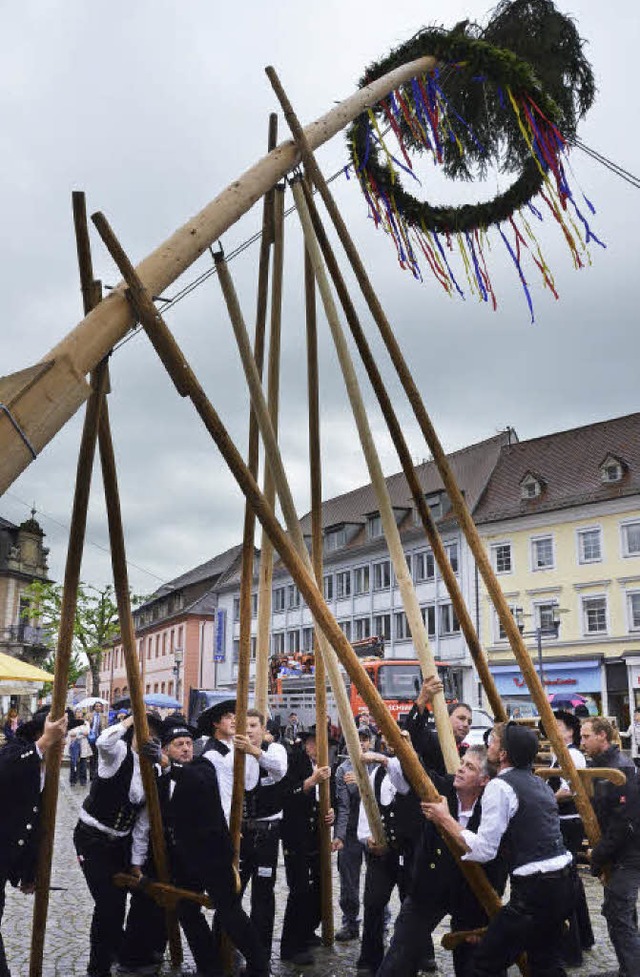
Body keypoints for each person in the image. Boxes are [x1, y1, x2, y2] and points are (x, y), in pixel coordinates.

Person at [423, 721, 573, 976]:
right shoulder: (538, 783)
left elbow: (483, 850)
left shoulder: (499, 786)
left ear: (503, 754)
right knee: (545, 963)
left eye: (493, 742)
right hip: (566, 884)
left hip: (534, 891)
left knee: (484, 964)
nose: (488, 746)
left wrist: (444, 818)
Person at [142, 717, 270, 977]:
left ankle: (259, 967)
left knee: (230, 912)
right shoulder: (160, 779)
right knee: (187, 910)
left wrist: (169, 764)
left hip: (213, 856)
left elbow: (197, 781)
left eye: (189, 743)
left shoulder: (203, 766)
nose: (187, 748)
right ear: (165, 749)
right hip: (185, 859)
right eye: (179, 745)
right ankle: (209, 968)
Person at [379, 745, 507, 977]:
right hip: (429, 886)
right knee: (400, 956)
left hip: (471, 893)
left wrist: (488, 914)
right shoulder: (440, 788)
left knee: (474, 962)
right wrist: (404, 747)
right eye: (462, 763)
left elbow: (498, 861)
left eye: (469, 767)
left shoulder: (493, 807)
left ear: (484, 780)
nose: (460, 769)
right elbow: (417, 771)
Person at [73, 711, 162, 977]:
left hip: (120, 844)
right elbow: (102, 742)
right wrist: (129, 720)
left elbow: (143, 823)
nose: (149, 739)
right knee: (108, 904)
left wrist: (136, 862)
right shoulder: (118, 753)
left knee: (121, 902)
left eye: (154, 736)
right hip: (92, 839)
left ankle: (121, 954)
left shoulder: (153, 770)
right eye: (145, 732)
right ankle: (99, 968)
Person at [0, 709, 68, 977]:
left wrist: (29, 873)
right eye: (60, 741)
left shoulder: (44, 773)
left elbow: (32, 825)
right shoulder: (16, 753)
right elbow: (4, 769)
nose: (64, 748)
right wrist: (43, 744)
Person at [580, 716, 640, 977]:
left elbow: (624, 821)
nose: (582, 742)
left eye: (586, 736)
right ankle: (630, 967)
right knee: (620, 913)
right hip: (617, 854)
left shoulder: (621, 769)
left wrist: (600, 853)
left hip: (629, 854)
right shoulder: (599, 767)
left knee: (619, 915)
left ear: (602, 736)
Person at [355, 734, 414, 977]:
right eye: (391, 740)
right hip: (382, 854)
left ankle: (415, 957)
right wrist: (367, 838)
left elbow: (402, 782)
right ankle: (369, 959)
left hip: (409, 852)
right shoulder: (376, 774)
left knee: (412, 906)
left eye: (402, 739)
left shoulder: (414, 770)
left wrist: (383, 759)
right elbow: (366, 806)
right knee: (373, 903)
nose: (394, 744)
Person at [234, 707, 289, 958]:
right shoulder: (233, 753)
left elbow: (279, 770)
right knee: (233, 890)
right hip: (241, 832)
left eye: (254, 726)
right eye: (244, 726)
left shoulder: (274, 750)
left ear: (264, 730)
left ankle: (261, 953)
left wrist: (254, 751)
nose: (248, 731)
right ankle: (227, 945)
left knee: (263, 894)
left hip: (267, 833)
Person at [280, 725, 334, 966]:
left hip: (316, 835)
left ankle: (307, 929)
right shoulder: (294, 761)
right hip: (296, 835)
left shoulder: (323, 767)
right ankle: (291, 946)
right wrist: (312, 781)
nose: (319, 749)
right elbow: (287, 795)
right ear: (307, 744)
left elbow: (324, 801)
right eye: (315, 743)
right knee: (299, 889)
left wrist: (328, 812)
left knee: (319, 888)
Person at [542, 709, 594, 965]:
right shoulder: (556, 756)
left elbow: (569, 789)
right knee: (572, 880)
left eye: (558, 727)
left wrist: (543, 800)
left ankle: (574, 944)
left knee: (568, 881)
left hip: (569, 823)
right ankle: (583, 936)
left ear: (570, 731)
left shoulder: (572, 754)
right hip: (561, 821)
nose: (554, 731)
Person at [331, 725, 372, 942]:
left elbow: (379, 801)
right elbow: (343, 806)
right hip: (351, 830)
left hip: (374, 829)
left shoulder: (376, 765)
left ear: (370, 742)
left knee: (377, 881)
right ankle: (350, 922)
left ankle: (378, 924)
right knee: (348, 880)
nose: (361, 744)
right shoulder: (342, 769)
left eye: (365, 739)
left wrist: (362, 784)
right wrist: (338, 836)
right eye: (357, 739)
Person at [198, 699, 259, 823]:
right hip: (225, 820)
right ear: (216, 723)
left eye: (235, 717)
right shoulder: (213, 754)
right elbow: (221, 796)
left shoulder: (234, 746)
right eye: (228, 717)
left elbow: (250, 783)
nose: (234, 721)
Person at [404, 676, 471, 773]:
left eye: (469, 722)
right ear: (446, 719)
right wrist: (422, 700)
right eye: (461, 718)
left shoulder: (468, 752)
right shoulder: (431, 740)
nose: (466, 724)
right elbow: (411, 732)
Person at [66, 708, 92, 787]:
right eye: (77, 712)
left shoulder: (86, 723)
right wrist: (81, 733)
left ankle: (83, 780)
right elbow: (70, 733)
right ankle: (73, 779)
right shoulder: (72, 722)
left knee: (83, 763)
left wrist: (77, 734)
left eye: (80, 712)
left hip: (83, 744)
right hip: (74, 744)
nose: (79, 713)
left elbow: (87, 732)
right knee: (73, 762)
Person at [88, 703, 107, 782]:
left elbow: (106, 727)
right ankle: (91, 774)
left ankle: (97, 773)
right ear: (94, 707)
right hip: (91, 738)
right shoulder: (89, 715)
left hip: (100, 738)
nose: (98, 707)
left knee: (98, 756)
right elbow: (86, 725)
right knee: (92, 757)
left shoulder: (104, 716)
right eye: (96, 706)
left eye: (99, 706)